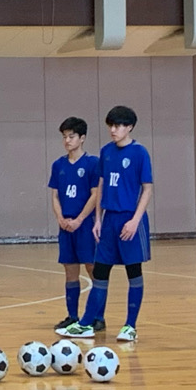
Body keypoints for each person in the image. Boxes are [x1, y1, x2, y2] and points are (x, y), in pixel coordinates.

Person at [66, 104, 152, 345]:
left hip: (130, 219)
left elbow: (147, 189)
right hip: (109, 220)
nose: (113, 130)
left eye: (118, 126)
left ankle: (130, 326)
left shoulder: (140, 153)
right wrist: (97, 218)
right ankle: (85, 323)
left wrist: (135, 220)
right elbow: (102, 184)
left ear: (129, 127)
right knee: (101, 271)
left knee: (133, 272)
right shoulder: (106, 152)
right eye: (111, 126)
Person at [47, 116, 101, 335]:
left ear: (82, 138)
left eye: (71, 136)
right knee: (70, 271)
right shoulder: (58, 165)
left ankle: (98, 316)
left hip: (85, 224)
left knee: (92, 268)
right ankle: (73, 316)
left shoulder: (92, 164)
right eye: (64, 137)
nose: (67, 141)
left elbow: (95, 194)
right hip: (66, 225)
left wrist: (79, 219)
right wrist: (61, 218)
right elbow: (55, 195)